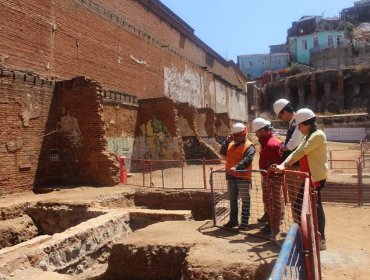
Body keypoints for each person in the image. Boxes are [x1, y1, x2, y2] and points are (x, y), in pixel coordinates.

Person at [274, 108, 328, 250]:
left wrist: (283, 165)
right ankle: (311, 235)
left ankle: (319, 238)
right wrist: (283, 164)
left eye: (300, 125)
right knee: (304, 204)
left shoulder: (317, 135)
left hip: (315, 177)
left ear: (308, 124)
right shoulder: (307, 136)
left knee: (313, 206)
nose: (298, 128)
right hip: (308, 176)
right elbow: (297, 151)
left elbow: (302, 151)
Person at [273, 98, 306, 223]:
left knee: (298, 198)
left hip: (297, 165)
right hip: (293, 165)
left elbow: (294, 143)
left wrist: (284, 147)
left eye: (280, 115)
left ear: (285, 111)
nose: (281, 118)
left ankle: (301, 228)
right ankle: (297, 227)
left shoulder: (298, 121)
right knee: (294, 198)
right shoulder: (293, 122)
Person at [220, 122, 256, 231]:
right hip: (231, 177)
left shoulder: (249, 146)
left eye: (237, 136)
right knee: (232, 200)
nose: (235, 138)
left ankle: (244, 223)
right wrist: (227, 141)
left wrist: (237, 167)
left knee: (245, 200)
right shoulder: (230, 144)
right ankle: (233, 221)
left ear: (244, 134)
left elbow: (248, 159)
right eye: (234, 135)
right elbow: (222, 152)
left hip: (243, 178)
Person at [251, 118, 283, 236]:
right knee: (269, 201)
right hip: (268, 177)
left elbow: (277, 163)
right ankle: (271, 223)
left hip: (273, 178)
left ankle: (274, 227)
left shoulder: (271, 144)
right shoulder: (265, 143)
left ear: (263, 130)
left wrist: (272, 176)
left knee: (274, 202)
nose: (256, 135)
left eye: (258, 132)